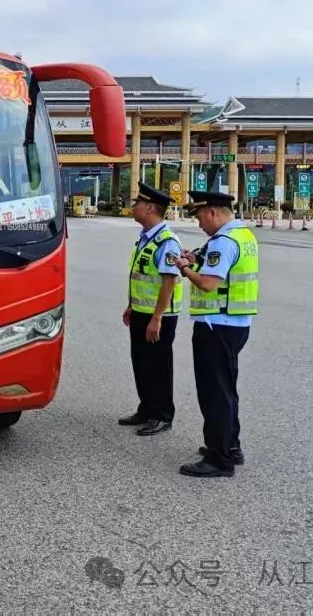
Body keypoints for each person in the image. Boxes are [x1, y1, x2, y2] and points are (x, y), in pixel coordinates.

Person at [172, 190, 259, 478]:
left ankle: (219, 458)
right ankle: (230, 445)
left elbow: (208, 283)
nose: (198, 223)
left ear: (212, 212)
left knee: (214, 393)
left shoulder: (223, 241)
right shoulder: (243, 236)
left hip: (216, 325)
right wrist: (195, 258)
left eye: (198, 217)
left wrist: (186, 269)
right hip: (235, 323)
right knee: (227, 389)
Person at [119, 182, 185, 436]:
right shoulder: (146, 239)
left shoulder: (167, 241)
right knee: (141, 361)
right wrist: (131, 306)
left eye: (137, 203)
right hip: (141, 311)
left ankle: (162, 414)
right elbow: (142, 276)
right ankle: (146, 408)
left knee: (158, 364)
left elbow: (169, 281)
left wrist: (156, 318)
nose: (133, 207)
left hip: (160, 316)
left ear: (149, 208)